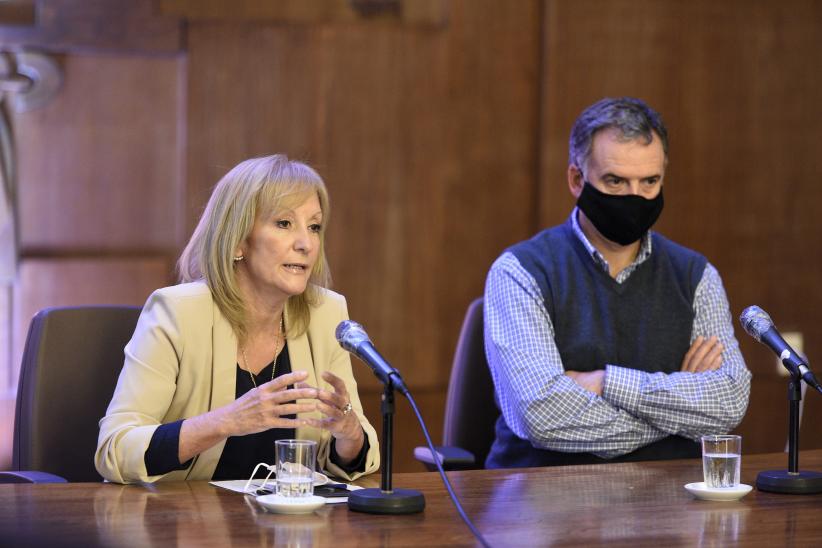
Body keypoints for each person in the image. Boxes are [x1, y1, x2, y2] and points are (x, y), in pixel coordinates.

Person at [483, 97, 751, 468]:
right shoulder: (520, 271)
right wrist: (676, 411)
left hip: (669, 500)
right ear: (577, 179)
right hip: (542, 503)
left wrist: (606, 382)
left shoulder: (696, 276)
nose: (634, 197)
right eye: (615, 181)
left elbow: (728, 403)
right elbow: (541, 415)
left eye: (650, 182)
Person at [96, 155, 379, 483]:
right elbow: (114, 449)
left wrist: (349, 433)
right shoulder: (177, 313)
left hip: (290, 527)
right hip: (186, 524)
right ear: (239, 240)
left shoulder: (325, 313)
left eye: (314, 227)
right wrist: (225, 421)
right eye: (284, 224)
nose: (306, 244)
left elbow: (355, 458)